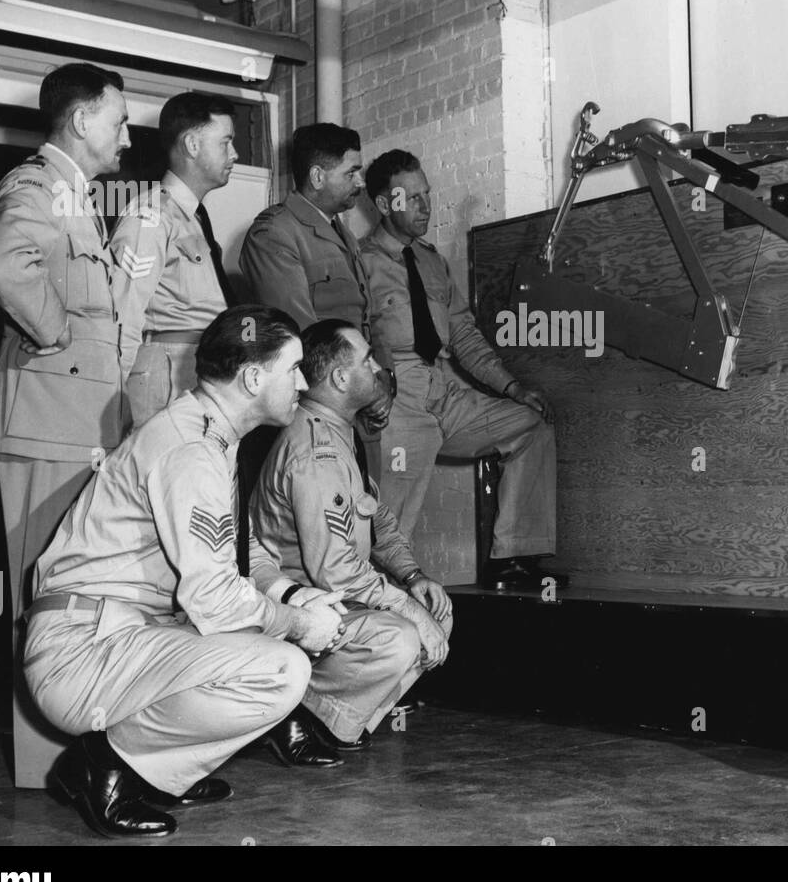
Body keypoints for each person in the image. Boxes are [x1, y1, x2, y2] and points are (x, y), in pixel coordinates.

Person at [24, 306, 347, 840]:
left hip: (121, 635)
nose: (305, 381)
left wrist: (293, 595)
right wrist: (296, 623)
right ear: (252, 377)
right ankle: (106, 765)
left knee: (267, 639)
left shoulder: (208, 432)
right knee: (282, 669)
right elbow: (216, 600)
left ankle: (160, 772)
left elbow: (241, 552)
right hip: (82, 652)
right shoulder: (193, 450)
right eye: (293, 368)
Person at [0, 62, 131, 788]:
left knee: (80, 596)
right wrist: (56, 332)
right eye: (119, 119)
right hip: (44, 423)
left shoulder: (77, 195)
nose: (127, 135)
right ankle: (49, 772)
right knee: (42, 601)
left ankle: (90, 757)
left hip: (76, 425)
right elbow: (5, 265)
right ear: (81, 118)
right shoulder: (35, 183)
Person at [250, 319, 454, 749]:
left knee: (435, 610)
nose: (378, 366)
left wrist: (414, 578)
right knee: (401, 637)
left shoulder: (341, 433)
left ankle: (336, 719)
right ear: (341, 378)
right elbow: (337, 573)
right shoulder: (315, 452)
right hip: (303, 605)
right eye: (367, 359)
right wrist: (409, 611)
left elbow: (377, 519)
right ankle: (296, 713)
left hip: (336, 595)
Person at [360, 150, 559, 590]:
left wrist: (511, 387)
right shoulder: (361, 263)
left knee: (531, 425)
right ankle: (378, 599)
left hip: (444, 390)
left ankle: (513, 559)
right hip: (397, 398)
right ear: (382, 203)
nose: (424, 206)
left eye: (426, 195)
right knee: (388, 523)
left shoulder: (432, 262)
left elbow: (464, 336)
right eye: (410, 197)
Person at [238, 122, 391, 474]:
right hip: (315, 411)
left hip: (356, 402)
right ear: (318, 176)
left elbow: (369, 317)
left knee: (364, 511)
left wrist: (384, 379)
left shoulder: (343, 234)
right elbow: (301, 332)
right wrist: (367, 384)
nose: (361, 182)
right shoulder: (275, 232)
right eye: (352, 172)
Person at [111, 92, 239, 426]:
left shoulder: (193, 218)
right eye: (226, 142)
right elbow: (121, 317)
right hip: (166, 379)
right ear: (193, 144)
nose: (234, 154)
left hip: (201, 372)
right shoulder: (150, 216)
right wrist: (114, 407)